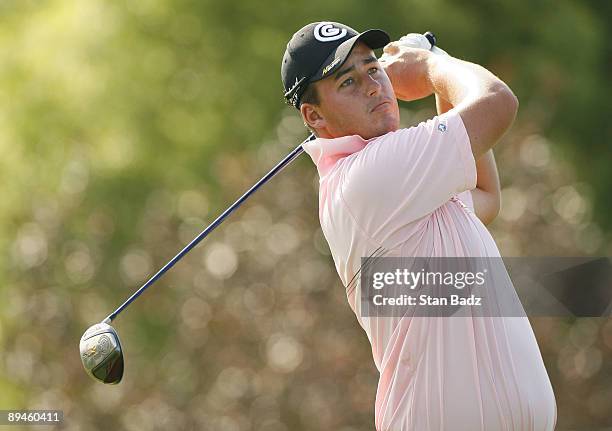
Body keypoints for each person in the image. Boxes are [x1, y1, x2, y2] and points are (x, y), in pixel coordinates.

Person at [281, 21, 557, 430]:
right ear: (314, 117)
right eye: (347, 82)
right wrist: (429, 66)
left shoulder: (406, 183)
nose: (373, 86)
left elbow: (484, 196)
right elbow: (497, 103)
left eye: (373, 68)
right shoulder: (370, 175)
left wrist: (439, 72)